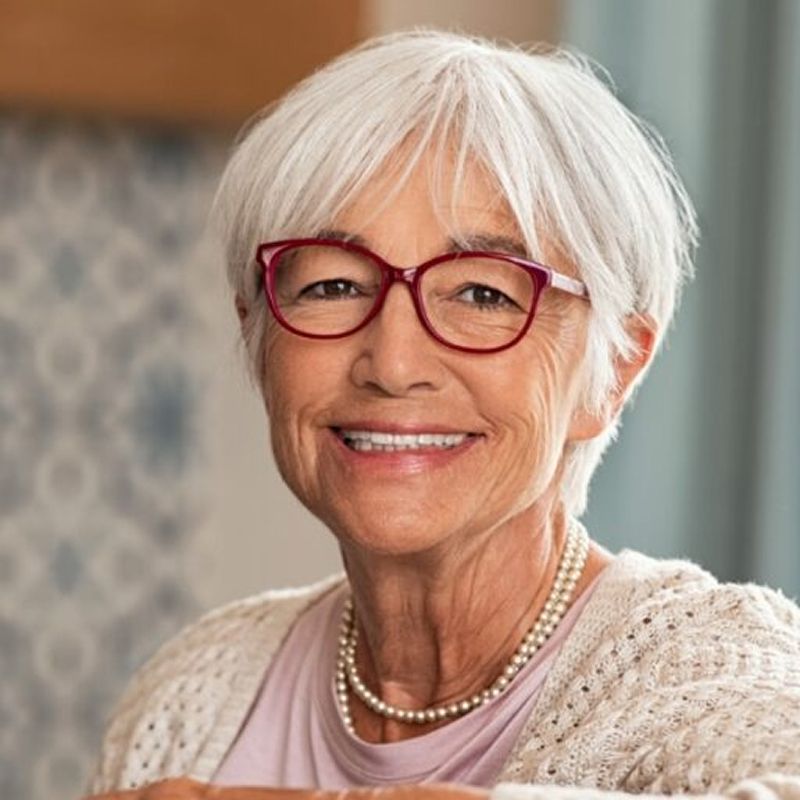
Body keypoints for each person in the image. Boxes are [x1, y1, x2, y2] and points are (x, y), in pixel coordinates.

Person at [85, 30, 800, 800]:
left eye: (483, 294)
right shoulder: (196, 689)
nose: (392, 364)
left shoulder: (706, 662)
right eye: (332, 285)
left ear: (615, 368)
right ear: (256, 334)